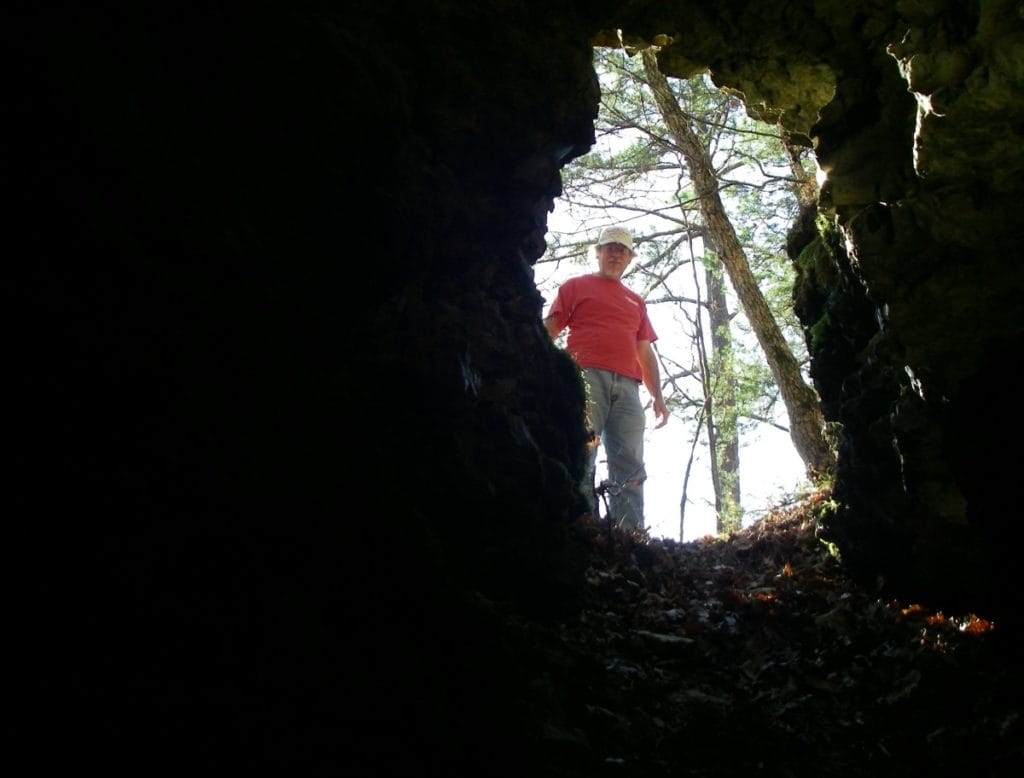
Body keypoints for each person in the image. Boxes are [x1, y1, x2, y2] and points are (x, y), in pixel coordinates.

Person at [544, 225, 669, 531]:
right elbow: (549, 329)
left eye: (622, 250)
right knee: (584, 449)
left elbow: (644, 351)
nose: (616, 254)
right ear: (598, 253)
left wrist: (658, 397)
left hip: (628, 388)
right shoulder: (575, 287)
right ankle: (582, 527)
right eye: (610, 248)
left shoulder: (636, 302)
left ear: (630, 259)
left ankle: (630, 536)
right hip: (585, 378)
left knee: (630, 462)